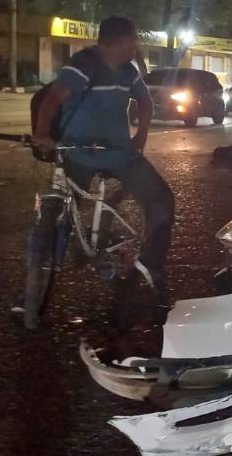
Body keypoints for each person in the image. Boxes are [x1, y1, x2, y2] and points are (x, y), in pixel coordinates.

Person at [32, 15, 174, 300]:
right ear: (119, 41)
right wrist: (43, 133)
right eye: (133, 38)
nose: (136, 44)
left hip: (120, 153)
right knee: (58, 216)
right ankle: (31, 292)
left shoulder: (128, 70)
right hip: (79, 152)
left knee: (162, 200)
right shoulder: (83, 64)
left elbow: (145, 101)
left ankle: (149, 266)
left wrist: (141, 137)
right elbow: (53, 98)